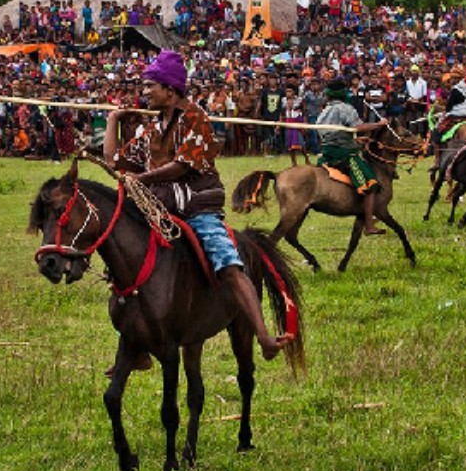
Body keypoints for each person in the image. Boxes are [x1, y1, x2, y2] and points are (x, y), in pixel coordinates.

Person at [103, 50, 291, 361]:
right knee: (124, 262)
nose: (144, 92)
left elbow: (181, 166)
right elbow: (114, 162)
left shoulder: (196, 118)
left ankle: (263, 336)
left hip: (196, 208)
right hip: (160, 209)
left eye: (150, 86)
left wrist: (143, 179)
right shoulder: (153, 128)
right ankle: (133, 345)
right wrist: (113, 121)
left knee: (228, 264)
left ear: (170, 90)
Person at [314, 76, 391, 233]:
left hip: (326, 152)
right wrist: (379, 124)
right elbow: (358, 127)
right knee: (370, 183)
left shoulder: (324, 112)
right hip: (344, 154)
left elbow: (329, 134)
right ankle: (369, 225)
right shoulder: (345, 109)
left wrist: (354, 139)